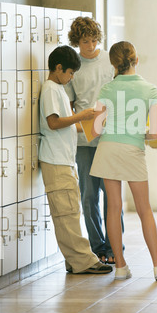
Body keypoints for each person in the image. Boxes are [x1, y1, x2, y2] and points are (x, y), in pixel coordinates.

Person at [89, 41, 157, 281]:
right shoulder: (150, 89)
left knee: (113, 208)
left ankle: (121, 267)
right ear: (136, 60)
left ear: (114, 63)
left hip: (107, 149)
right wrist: (137, 133)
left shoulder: (106, 89)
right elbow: (154, 133)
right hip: (132, 150)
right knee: (144, 209)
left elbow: (95, 128)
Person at [39, 45, 112, 275]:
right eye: (70, 73)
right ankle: (86, 261)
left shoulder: (58, 87)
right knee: (68, 213)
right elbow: (54, 122)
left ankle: (75, 261)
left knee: (69, 212)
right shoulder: (51, 88)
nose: (71, 78)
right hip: (57, 160)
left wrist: (92, 126)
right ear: (58, 68)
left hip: (63, 159)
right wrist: (81, 115)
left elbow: (67, 124)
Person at [65, 16, 122, 265]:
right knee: (89, 196)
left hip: (110, 139)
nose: (90, 46)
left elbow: (121, 95)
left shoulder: (111, 61)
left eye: (94, 40)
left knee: (112, 196)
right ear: (76, 42)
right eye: (85, 41)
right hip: (84, 141)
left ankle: (114, 246)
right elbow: (69, 105)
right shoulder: (74, 67)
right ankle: (98, 248)